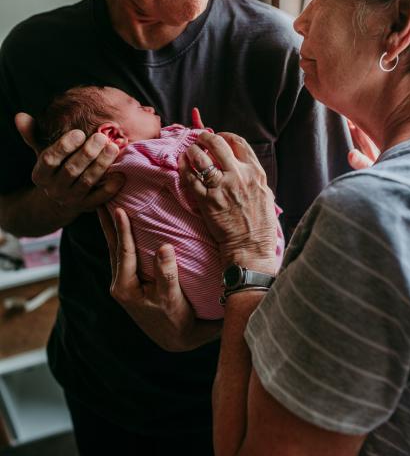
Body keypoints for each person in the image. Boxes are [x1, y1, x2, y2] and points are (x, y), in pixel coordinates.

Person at [0, 0, 351, 456]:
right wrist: (52, 200)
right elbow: (14, 217)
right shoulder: (34, 54)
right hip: (101, 388)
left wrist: (203, 333)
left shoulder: (277, 55)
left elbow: (324, 271)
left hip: (243, 394)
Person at [35, 83, 285, 320]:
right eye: (138, 107)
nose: (151, 108)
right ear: (112, 134)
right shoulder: (138, 158)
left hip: (193, 302)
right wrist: (197, 138)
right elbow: (183, 164)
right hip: (231, 280)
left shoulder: (108, 180)